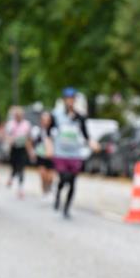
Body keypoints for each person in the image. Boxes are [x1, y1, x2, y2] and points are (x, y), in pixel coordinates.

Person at [51, 88, 93, 219]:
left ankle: (66, 208)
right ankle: (58, 192)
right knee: (64, 177)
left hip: (75, 153)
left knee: (73, 182)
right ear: (64, 100)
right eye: (68, 99)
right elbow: (49, 129)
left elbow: (85, 134)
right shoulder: (57, 115)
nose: (70, 101)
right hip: (61, 153)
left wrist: (91, 143)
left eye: (72, 99)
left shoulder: (80, 117)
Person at [4, 106, 33, 199]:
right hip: (14, 148)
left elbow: (29, 138)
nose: (18, 116)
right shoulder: (10, 124)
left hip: (23, 148)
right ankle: (11, 177)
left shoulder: (26, 124)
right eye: (17, 115)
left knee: (21, 168)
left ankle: (20, 188)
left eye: (20, 115)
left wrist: (30, 151)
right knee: (14, 166)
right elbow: (7, 136)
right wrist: (10, 140)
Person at [31, 110, 56, 199]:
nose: (45, 122)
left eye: (47, 120)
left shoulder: (54, 131)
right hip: (41, 155)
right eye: (43, 120)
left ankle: (50, 188)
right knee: (42, 174)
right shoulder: (37, 130)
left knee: (50, 177)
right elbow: (32, 142)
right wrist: (32, 151)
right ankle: (45, 191)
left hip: (51, 156)